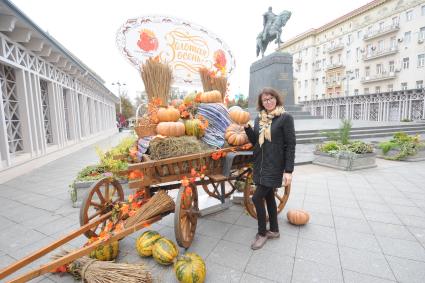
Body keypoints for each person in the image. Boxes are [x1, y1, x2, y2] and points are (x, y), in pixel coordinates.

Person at [244, 87, 296, 250]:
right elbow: (255, 141)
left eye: (271, 98)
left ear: (276, 99)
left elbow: (290, 145)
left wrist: (288, 170)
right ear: (261, 103)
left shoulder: (285, 118)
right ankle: (274, 230)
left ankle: (262, 233)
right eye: (265, 100)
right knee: (268, 198)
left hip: (274, 166)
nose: (268, 102)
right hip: (260, 164)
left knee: (256, 198)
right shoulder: (260, 119)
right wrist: (247, 128)